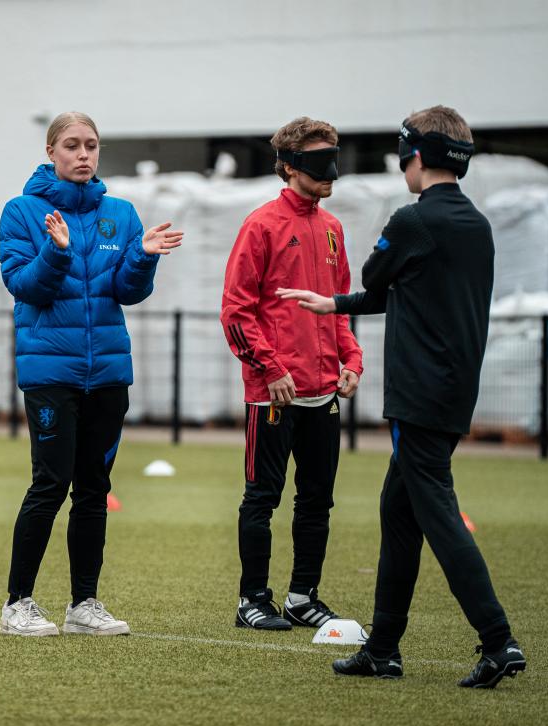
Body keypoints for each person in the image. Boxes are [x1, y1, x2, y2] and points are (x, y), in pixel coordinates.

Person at [277, 105, 526, 688]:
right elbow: (409, 294)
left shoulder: (413, 221)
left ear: (417, 156)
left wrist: (342, 297)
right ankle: (383, 649)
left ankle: (498, 640)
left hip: (418, 394)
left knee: (437, 513)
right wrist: (332, 304)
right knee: (399, 511)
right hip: (454, 392)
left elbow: (378, 274)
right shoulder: (476, 225)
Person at [0, 111, 183, 637]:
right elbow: (23, 286)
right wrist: (56, 254)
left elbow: (127, 291)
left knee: (94, 489)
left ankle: (84, 604)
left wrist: (143, 257)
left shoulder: (120, 215)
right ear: (51, 152)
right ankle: (18, 604)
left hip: (106, 373)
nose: (84, 155)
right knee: (50, 483)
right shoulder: (21, 213)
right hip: (50, 374)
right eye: (73, 145)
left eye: (92, 146)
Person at [221, 117, 363, 632]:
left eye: (334, 158)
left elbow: (339, 307)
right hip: (272, 394)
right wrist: (270, 368)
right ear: (288, 167)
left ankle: (303, 596)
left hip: (325, 392)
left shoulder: (332, 229)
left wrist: (352, 360)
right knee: (263, 497)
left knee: (318, 499)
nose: (331, 171)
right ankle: (251, 599)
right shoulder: (260, 225)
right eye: (319, 160)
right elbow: (236, 312)